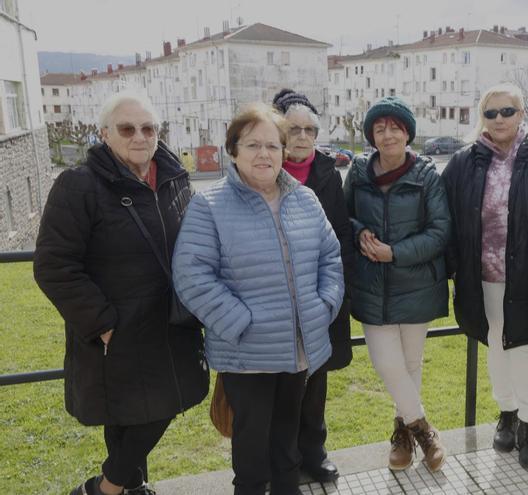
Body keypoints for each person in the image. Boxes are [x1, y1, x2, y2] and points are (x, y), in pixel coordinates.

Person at [33, 92, 209, 495]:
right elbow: (54, 265)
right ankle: (113, 488)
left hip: (172, 321)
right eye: (127, 129)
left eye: (148, 128)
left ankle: (118, 486)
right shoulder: (78, 186)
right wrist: (102, 323)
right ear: (104, 134)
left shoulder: (174, 179)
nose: (139, 136)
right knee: (127, 413)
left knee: (158, 406)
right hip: (118, 327)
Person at [172, 103, 344, 495]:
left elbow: (331, 258)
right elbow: (191, 274)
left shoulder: (305, 199)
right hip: (247, 353)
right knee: (251, 448)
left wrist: (323, 307)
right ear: (233, 151)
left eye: (272, 145)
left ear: (283, 151)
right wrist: (240, 322)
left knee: (288, 441)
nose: (263, 154)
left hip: (298, 348)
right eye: (252, 145)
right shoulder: (210, 205)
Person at [442, 82, 528, 469]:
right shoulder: (464, 162)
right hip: (482, 278)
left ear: (522, 114)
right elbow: (446, 217)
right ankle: (507, 415)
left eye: (507, 111)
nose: (499, 119)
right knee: (496, 347)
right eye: (491, 112)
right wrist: (453, 267)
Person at [343, 96, 451, 472]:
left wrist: (395, 253)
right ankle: (424, 430)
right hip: (372, 286)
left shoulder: (427, 175)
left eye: (395, 128)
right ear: (371, 135)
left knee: (410, 364)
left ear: (408, 134)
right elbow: (343, 217)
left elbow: (440, 231)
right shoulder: (358, 172)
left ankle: (402, 436)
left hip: (416, 285)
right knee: (387, 363)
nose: (388, 135)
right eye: (379, 128)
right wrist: (359, 232)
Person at [271, 89, 355, 483]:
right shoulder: (263, 169)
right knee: (280, 383)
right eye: (294, 129)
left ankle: (314, 452)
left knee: (316, 378)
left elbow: (338, 238)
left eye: (310, 130)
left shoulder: (327, 173)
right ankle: (282, 458)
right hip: (276, 298)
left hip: (319, 297)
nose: (302, 137)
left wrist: (332, 295)